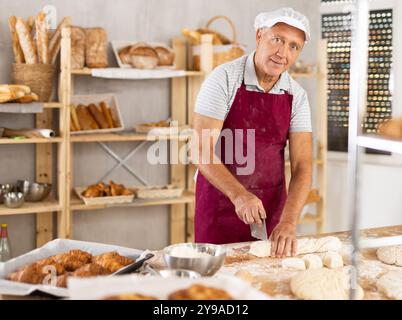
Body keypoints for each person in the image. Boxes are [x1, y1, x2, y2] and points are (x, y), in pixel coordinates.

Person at [193, 8, 313, 257]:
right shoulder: (223, 79)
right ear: (259, 36)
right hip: (220, 206)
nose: (283, 53)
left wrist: (289, 221)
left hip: (272, 211)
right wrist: (239, 196)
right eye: (277, 39)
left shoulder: (297, 95)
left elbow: (303, 166)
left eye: (293, 46)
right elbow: (200, 149)